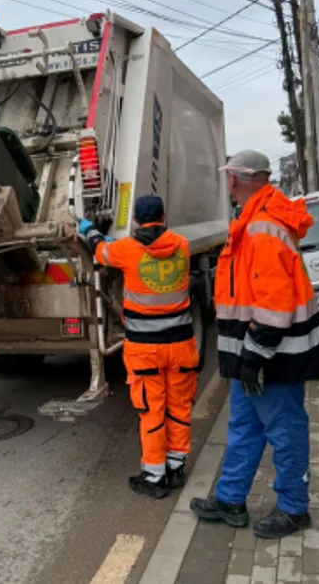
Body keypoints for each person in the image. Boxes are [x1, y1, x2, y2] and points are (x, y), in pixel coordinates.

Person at [190, 149, 319, 540]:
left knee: (284, 431)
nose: (226, 185)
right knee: (244, 426)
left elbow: (274, 301)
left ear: (234, 179)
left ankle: (293, 508)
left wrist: (255, 354)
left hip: (271, 355)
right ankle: (231, 499)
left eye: (227, 178)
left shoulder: (262, 227)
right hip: (255, 353)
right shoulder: (256, 220)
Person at [79, 195, 199, 499]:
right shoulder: (181, 246)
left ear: (134, 220)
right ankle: (175, 466)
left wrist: (88, 229)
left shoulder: (125, 251)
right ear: (164, 217)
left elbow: (100, 250)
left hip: (146, 350)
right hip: (182, 345)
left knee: (152, 411)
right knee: (179, 407)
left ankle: (154, 476)